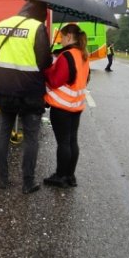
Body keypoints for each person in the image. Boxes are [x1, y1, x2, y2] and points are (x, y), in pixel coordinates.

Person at [0, 0, 52, 194]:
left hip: (6, 89)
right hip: (30, 92)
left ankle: (2, 179)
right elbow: (44, 62)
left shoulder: (1, 25)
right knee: (31, 137)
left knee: (4, 131)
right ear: (40, 14)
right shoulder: (37, 28)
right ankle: (27, 183)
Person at [43, 23, 90, 188]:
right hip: (76, 107)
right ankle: (70, 176)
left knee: (63, 143)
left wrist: (47, 70)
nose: (61, 40)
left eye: (62, 37)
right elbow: (85, 78)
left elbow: (56, 80)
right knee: (72, 141)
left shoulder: (67, 55)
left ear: (69, 36)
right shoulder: (82, 55)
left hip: (62, 107)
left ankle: (60, 176)